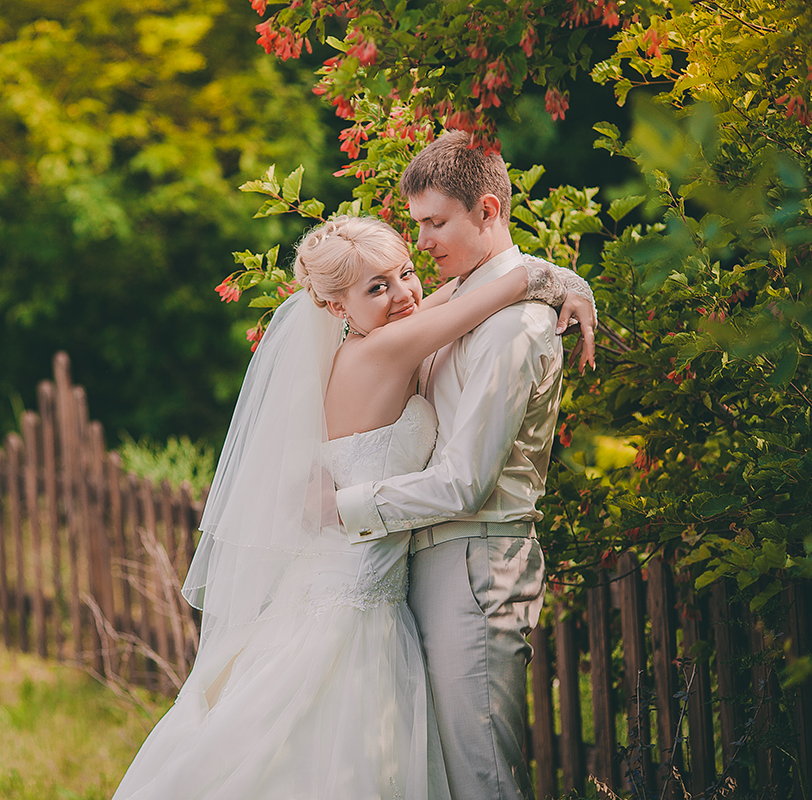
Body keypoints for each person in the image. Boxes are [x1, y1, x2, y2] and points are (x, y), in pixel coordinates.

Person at [110, 213, 594, 800]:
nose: (402, 295)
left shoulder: (376, 338)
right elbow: (502, 288)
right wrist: (570, 287)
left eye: (405, 273)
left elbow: (455, 292)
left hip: (355, 581)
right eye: (376, 288)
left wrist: (566, 283)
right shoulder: (387, 348)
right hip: (354, 595)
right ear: (336, 309)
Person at [335, 131, 594, 800]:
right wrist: (564, 278)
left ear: (485, 210)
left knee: (481, 774)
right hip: (423, 564)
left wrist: (344, 508)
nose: (421, 243)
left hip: (477, 566)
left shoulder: (514, 328)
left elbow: (464, 481)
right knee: (438, 772)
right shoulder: (462, 302)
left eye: (434, 223)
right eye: (416, 223)